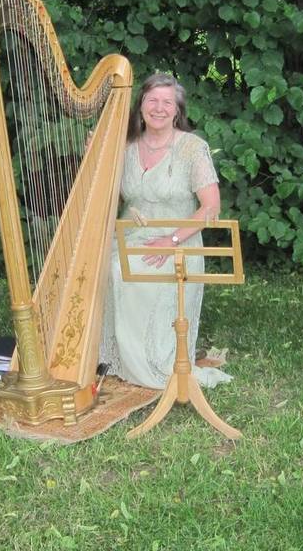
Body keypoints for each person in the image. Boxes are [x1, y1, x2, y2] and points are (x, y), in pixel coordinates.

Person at [99, 73, 231, 389]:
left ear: (177, 110)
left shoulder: (192, 148)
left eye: (167, 102)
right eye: (152, 100)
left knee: (121, 270)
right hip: (132, 238)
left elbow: (211, 207)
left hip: (178, 242)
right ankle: (111, 358)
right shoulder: (125, 147)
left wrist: (169, 241)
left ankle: (149, 364)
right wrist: (98, 157)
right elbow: (103, 195)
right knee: (99, 268)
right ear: (140, 106)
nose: (159, 108)